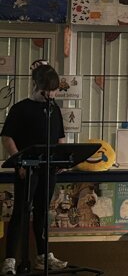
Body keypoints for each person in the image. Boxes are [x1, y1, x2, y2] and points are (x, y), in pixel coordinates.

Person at [1, 61, 67, 275]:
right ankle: (10, 259)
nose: (51, 94)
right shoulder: (20, 109)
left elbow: (60, 137)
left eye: (54, 90)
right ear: (36, 85)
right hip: (27, 169)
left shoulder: (54, 109)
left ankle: (43, 256)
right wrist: (18, 161)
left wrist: (61, 159)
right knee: (21, 212)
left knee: (42, 212)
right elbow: (7, 138)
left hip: (49, 169)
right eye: (48, 90)